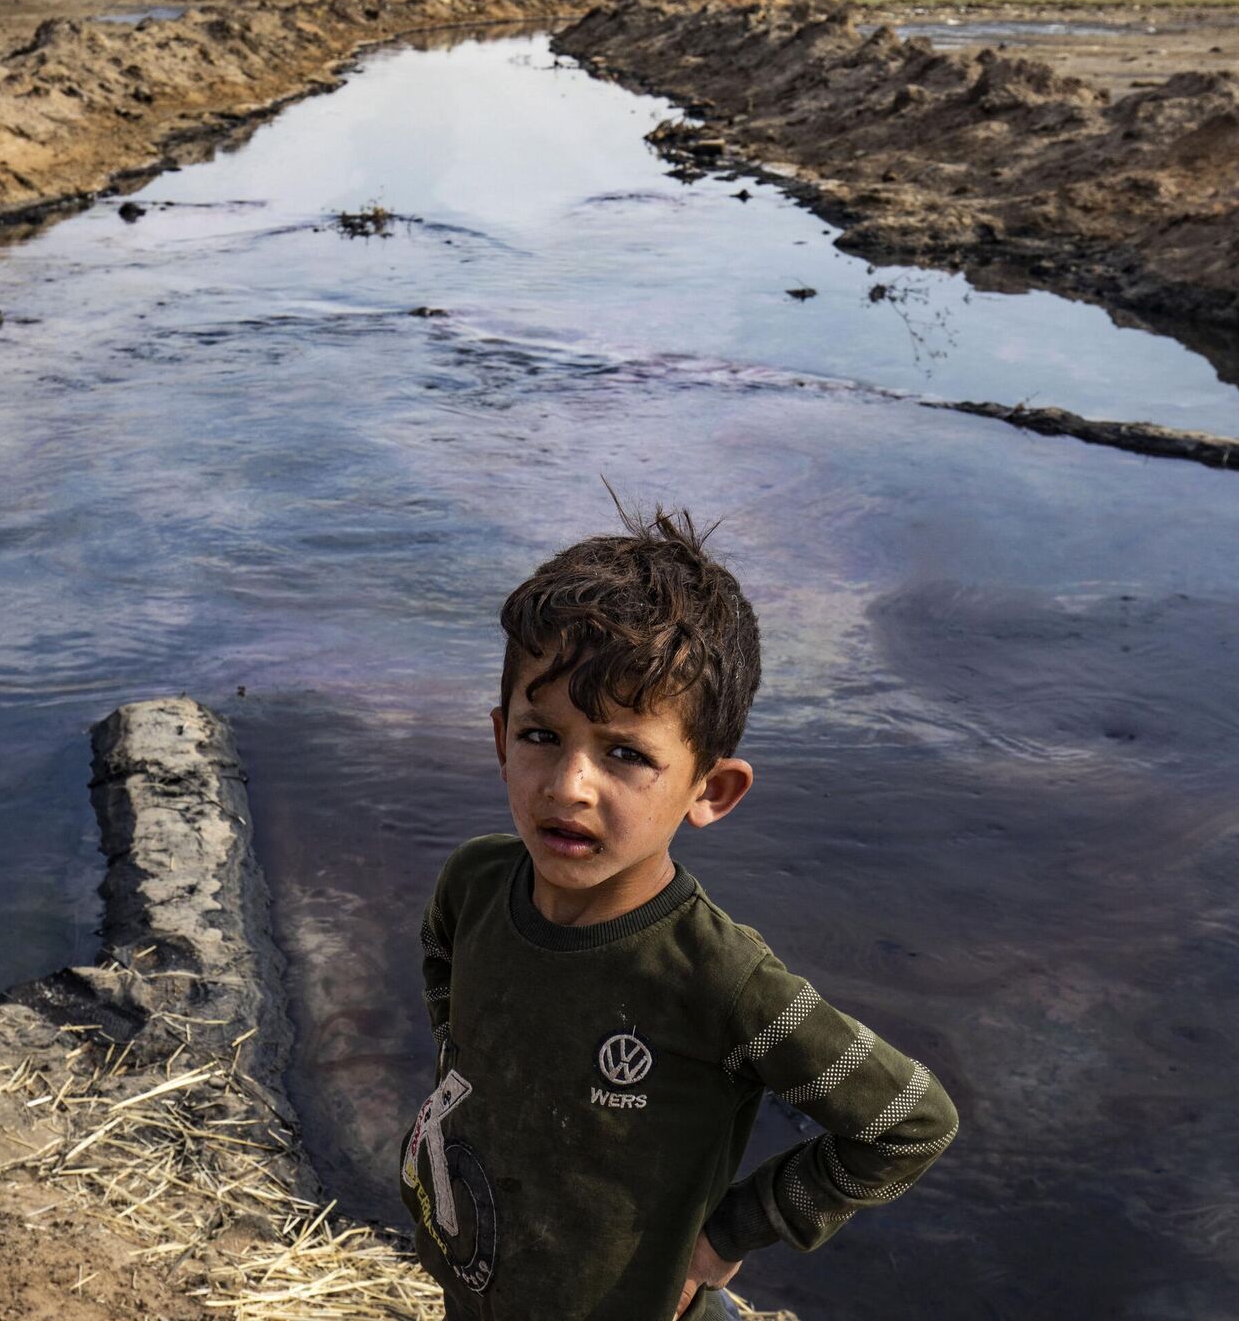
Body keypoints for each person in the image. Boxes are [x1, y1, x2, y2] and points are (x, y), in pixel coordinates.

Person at [399, 497, 959, 1321]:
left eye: (626, 753)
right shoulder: (477, 881)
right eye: (541, 735)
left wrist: (732, 1232)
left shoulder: (722, 981)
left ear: (711, 791)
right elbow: (446, 958)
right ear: (499, 738)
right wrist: (463, 1078)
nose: (569, 786)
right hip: (481, 1277)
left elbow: (908, 1122)